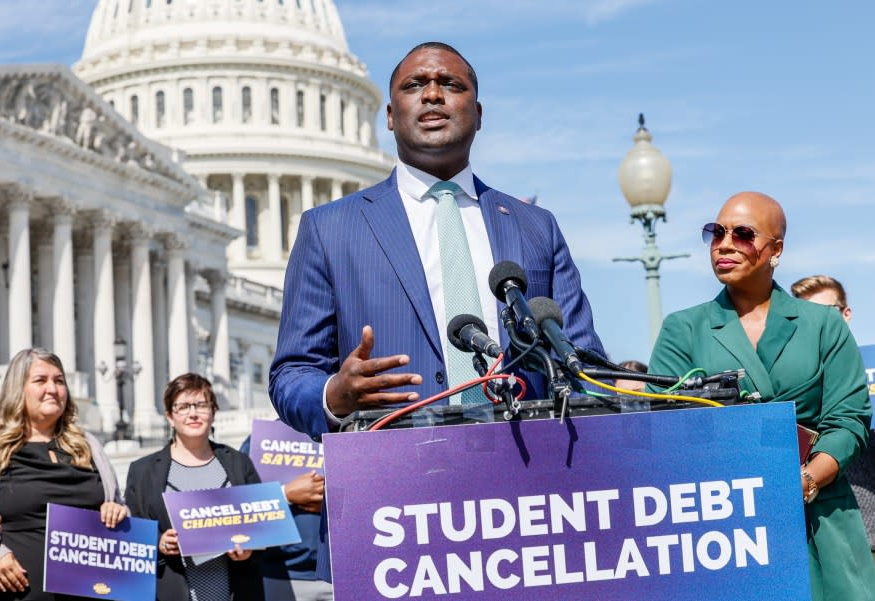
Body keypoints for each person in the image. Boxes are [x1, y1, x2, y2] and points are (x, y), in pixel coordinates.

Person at [269, 41, 605, 580]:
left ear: (478, 111)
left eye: (451, 85)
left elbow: (584, 361)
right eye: (413, 85)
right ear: (389, 115)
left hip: (532, 506)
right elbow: (290, 375)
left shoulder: (533, 227)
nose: (432, 94)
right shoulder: (329, 230)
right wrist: (335, 395)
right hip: (395, 515)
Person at [648, 192, 875, 599]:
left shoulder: (823, 325)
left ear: (776, 250)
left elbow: (848, 420)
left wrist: (805, 481)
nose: (725, 243)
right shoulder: (683, 329)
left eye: (743, 233)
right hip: (724, 528)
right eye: (715, 233)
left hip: (819, 515)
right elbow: (663, 427)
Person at [0, 348, 128, 600]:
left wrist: (117, 512)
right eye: (40, 380)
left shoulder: (87, 443)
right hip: (19, 593)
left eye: (59, 381)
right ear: (18, 389)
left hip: (93, 590)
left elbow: (120, 507)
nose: (53, 389)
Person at [125, 373, 263, 600]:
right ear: (170, 416)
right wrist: (158, 542)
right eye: (183, 406)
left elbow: (262, 527)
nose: (193, 413)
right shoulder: (142, 472)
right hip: (169, 591)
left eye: (201, 404)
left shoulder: (239, 463)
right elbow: (132, 533)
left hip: (235, 591)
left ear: (214, 412)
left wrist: (250, 549)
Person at [792, 274, 875, 560]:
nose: (817, 324)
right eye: (805, 315)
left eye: (825, 313)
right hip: (828, 530)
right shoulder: (796, 383)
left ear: (846, 313)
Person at [238, 436, 331, 601]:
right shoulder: (259, 439)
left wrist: (333, 505)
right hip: (281, 574)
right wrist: (286, 494)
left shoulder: (349, 430)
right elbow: (241, 506)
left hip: (343, 573)